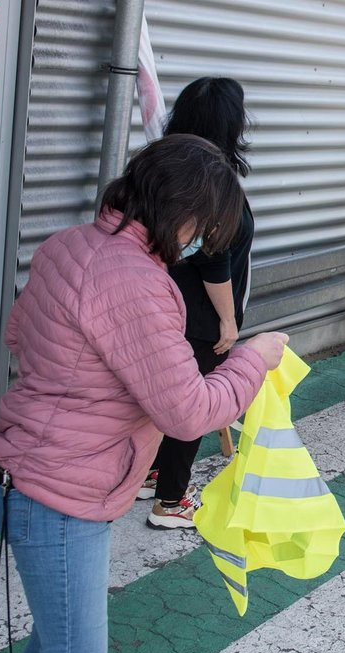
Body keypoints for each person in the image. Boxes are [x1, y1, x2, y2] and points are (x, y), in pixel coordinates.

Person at [0, 135, 291, 653]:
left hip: (22, 472)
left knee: (55, 651)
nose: (198, 241)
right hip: (60, 493)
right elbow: (189, 412)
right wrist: (252, 359)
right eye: (202, 227)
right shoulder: (136, 282)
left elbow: (19, 335)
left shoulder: (70, 244)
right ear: (181, 213)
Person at [136, 77, 257, 530]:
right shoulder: (213, 177)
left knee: (158, 398)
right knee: (191, 406)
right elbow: (216, 259)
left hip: (161, 303)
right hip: (199, 315)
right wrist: (228, 321)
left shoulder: (164, 164)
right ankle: (171, 501)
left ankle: (151, 474)